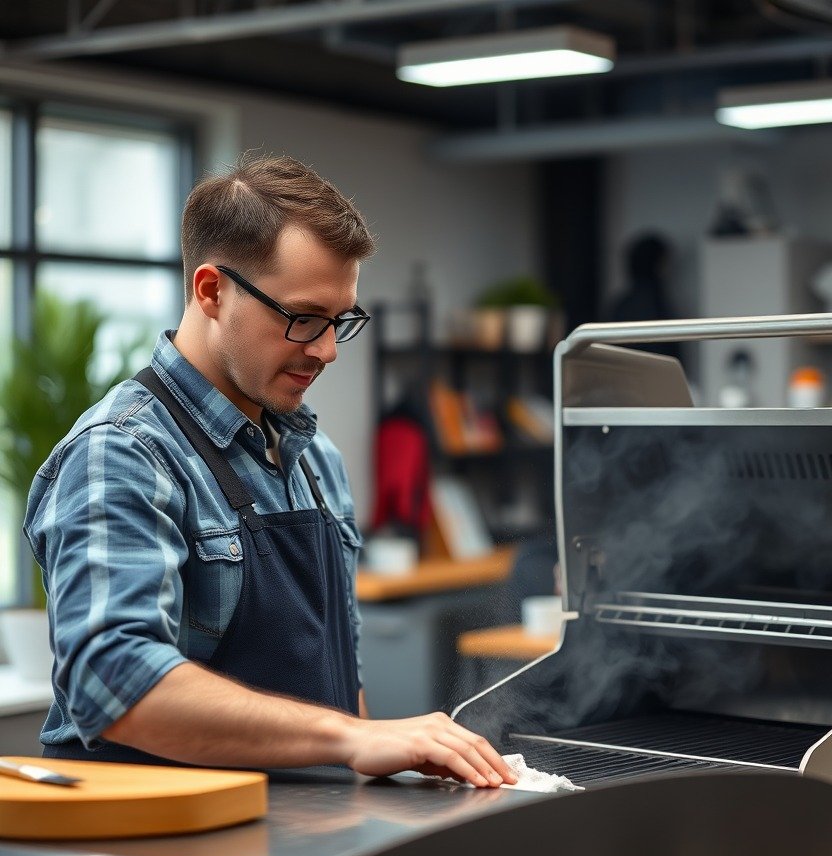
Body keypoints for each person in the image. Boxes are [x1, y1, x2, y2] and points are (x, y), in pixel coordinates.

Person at [23, 155, 516, 789]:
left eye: (341, 321)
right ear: (211, 291)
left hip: (304, 839)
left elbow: (338, 686)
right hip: (160, 855)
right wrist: (352, 738)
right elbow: (112, 681)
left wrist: (381, 764)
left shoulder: (316, 461)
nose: (327, 349)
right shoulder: (122, 453)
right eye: (304, 318)